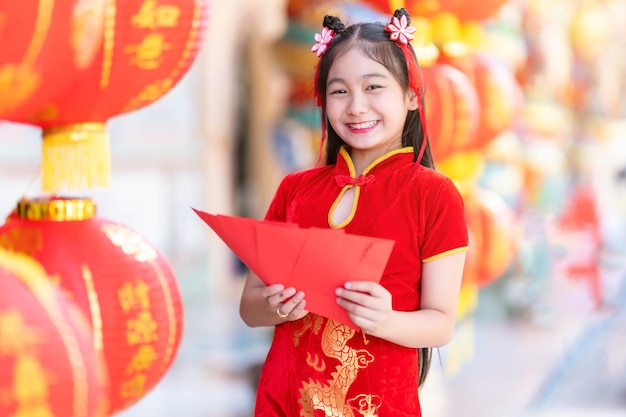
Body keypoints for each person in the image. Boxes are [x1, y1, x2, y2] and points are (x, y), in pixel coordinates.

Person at [239, 8, 468, 416]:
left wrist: (385, 320)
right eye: (339, 91)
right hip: (285, 400)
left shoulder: (434, 195)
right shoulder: (295, 189)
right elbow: (249, 308)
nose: (356, 106)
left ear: (411, 96)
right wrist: (276, 305)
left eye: (374, 87)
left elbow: (441, 323)